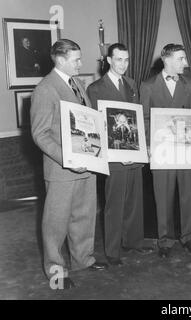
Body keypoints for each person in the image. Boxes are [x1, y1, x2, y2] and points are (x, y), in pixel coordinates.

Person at [30, 39, 108, 290]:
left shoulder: (76, 84)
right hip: (62, 168)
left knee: (84, 216)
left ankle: (83, 259)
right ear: (60, 60)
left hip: (86, 164)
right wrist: (68, 159)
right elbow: (40, 134)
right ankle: (55, 271)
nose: (81, 63)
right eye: (76, 59)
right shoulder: (45, 88)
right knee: (56, 222)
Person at [87, 43, 153, 267]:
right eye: (118, 60)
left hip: (134, 152)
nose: (123, 64)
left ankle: (133, 240)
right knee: (114, 203)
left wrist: (144, 147)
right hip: (113, 155)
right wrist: (116, 152)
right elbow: (98, 125)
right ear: (108, 60)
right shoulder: (96, 88)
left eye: (126, 60)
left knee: (135, 199)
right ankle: (113, 250)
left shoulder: (132, 84)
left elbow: (136, 118)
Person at [140, 43, 191, 258]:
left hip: (186, 150)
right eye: (181, 59)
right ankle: (164, 240)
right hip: (161, 150)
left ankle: (188, 236)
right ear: (166, 60)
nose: (185, 63)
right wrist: (148, 145)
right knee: (162, 196)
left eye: (184, 58)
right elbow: (145, 118)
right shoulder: (148, 85)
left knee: (188, 194)